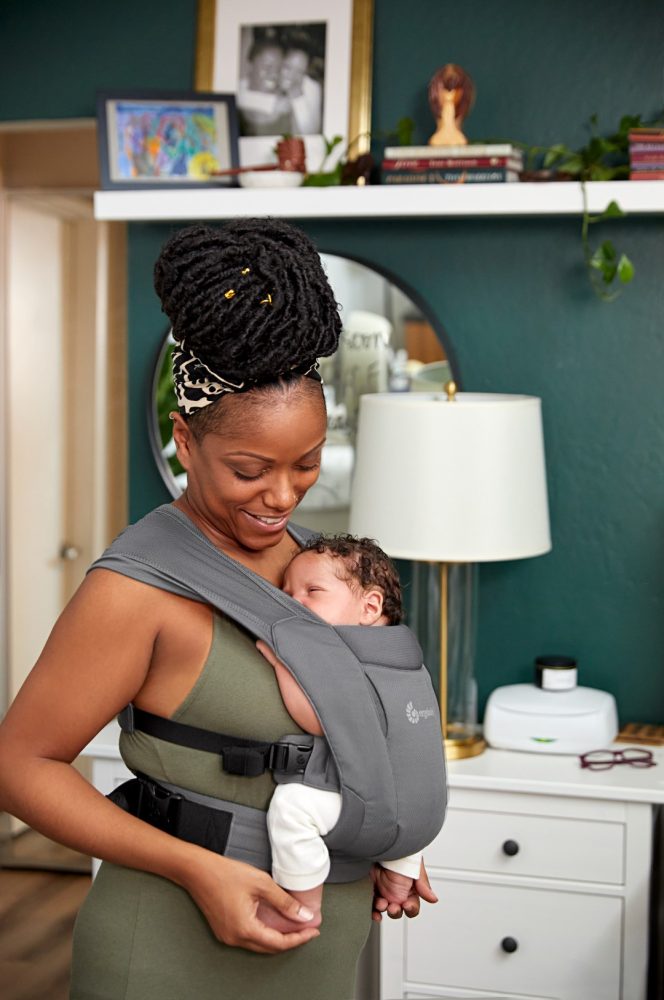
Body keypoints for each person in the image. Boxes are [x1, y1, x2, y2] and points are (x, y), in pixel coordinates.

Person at [0, 219, 436, 1000]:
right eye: (249, 469)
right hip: (170, 947)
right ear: (184, 441)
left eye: (306, 463)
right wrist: (197, 870)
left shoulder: (318, 567)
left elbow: (357, 736)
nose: (282, 495)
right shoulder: (137, 589)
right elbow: (18, 767)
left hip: (322, 948)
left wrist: (386, 837)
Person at [257, 534, 431, 931]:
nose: (294, 602)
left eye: (312, 591)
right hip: (420, 813)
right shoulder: (404, 658)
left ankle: (302, 905)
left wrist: (283, 664)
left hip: (373, 807)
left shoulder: (351, 658)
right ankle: (399, 873)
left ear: (370, 607)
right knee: (398, 808)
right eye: (287, 592)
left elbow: (322, 720)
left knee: (292, 806)